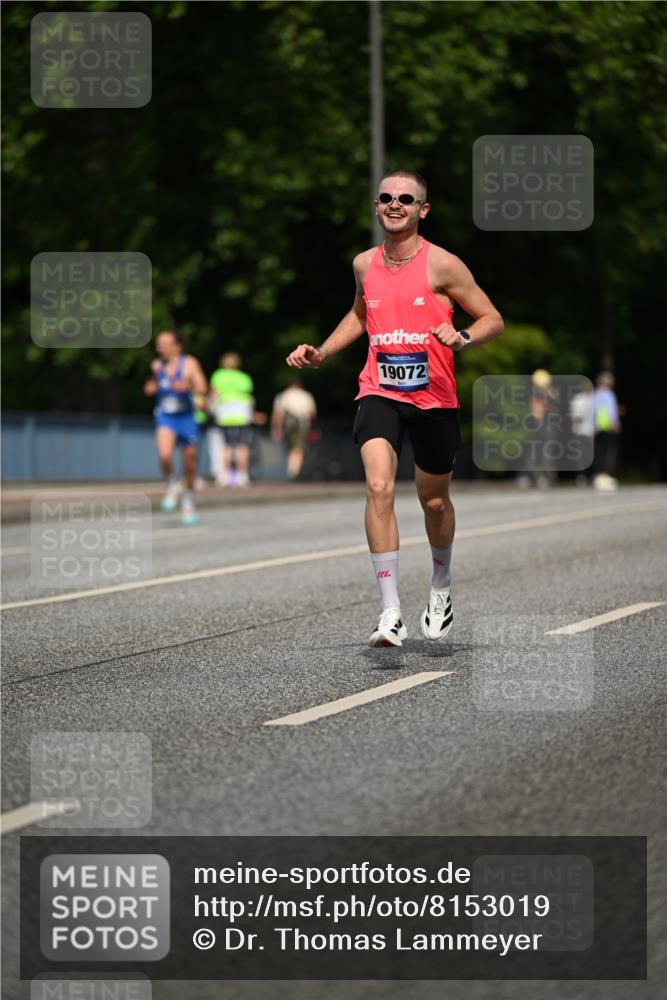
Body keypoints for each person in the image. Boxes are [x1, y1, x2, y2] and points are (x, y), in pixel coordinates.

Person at [287, 169, 503, 647]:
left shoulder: (444, 265)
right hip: (379, 390)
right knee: (379, 486)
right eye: (386, 197)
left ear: (422, 210)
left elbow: (493, 318)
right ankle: (390, 612)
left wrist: (463, 335)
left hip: (434, 398)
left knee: (433, 500)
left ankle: (441, 585)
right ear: (377, 205)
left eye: (406, 198)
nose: (395, 204)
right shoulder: (365, 264)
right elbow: (361, 314)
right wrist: (323, 352)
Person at [143, 329, 208, 525]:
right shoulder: (156, 365)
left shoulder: (189, 363)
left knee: (189, 464)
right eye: (158, 343)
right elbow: (150, 387)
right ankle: (172, 484)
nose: (159, 347)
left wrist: (188, 387)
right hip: (166, 417)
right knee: (164, 455)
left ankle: (188, 500)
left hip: (187, 418)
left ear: (177, 346)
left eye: (164, 343)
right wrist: (151, 388)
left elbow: (203, 388)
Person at [209, 353, 255, 487]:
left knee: (226, 445)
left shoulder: (218, 375)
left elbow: (214, 394)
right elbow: (248, 395)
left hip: (225, 412)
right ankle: (242, 476)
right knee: (242, 445)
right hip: (242, 413)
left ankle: (225, 476)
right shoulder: (244, 377)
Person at [271, 377, 317, 480]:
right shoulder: (305, 395)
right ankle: (293, 471)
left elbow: (278, 413)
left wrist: (276, 428)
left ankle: (291, 469)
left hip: (287, 425)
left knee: (290, 447)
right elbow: (312, 413)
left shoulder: (283, 395)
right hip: (302, 425)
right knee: (298, 448)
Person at [592, 371, 621, 491]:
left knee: (601, 452)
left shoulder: (598, 394)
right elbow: (608, 411)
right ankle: (600, 475)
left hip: (600, 427)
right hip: (606, 426)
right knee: (603, 452)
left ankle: (601, 475)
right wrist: (614, 423)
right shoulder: (606, 394)